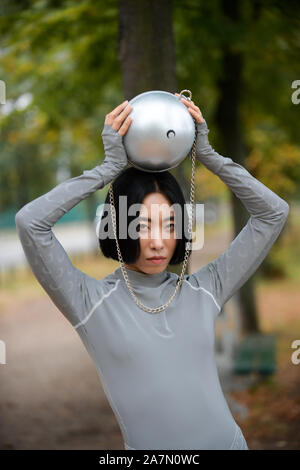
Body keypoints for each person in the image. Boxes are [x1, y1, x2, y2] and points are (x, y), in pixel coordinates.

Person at [15, 95, 289, 450]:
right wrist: (107, 169)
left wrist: (206, 155)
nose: (159, 242)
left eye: (170, 225)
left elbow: (273, 213)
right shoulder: (91, 303)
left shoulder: (204, 290)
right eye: (143, 226)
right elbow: (30, 223)